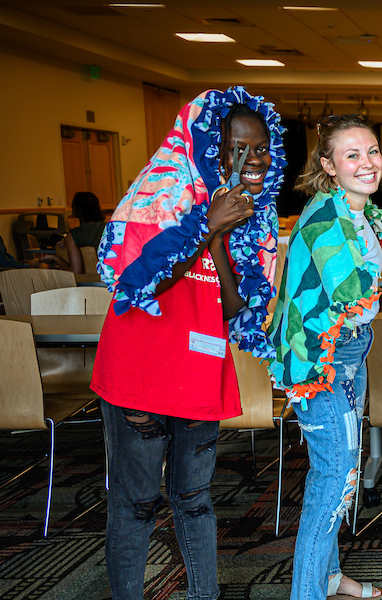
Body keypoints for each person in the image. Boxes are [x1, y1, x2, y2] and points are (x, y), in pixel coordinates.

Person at [91, 88, 285, 600]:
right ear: (205, 146)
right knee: (134, 504)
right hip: (140, 371)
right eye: (238, 148)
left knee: (195, 499)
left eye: (263, 147)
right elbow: (132, 280)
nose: (255, 160)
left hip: (198, 373)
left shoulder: (253, 220)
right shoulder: (158, 194)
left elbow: (233, 309)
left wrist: (221, 236)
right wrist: (205, 224)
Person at [267, 114, 382, 600]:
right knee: (333, 477)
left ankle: (329, 575)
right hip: (322, 361)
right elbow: (352, 291)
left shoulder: (357, 211)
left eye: (373, 151)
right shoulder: (325, 216)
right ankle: (307, 592)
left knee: (343, 470)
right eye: (352, 155)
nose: (368, 163)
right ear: (328, 165)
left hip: (351, 351)